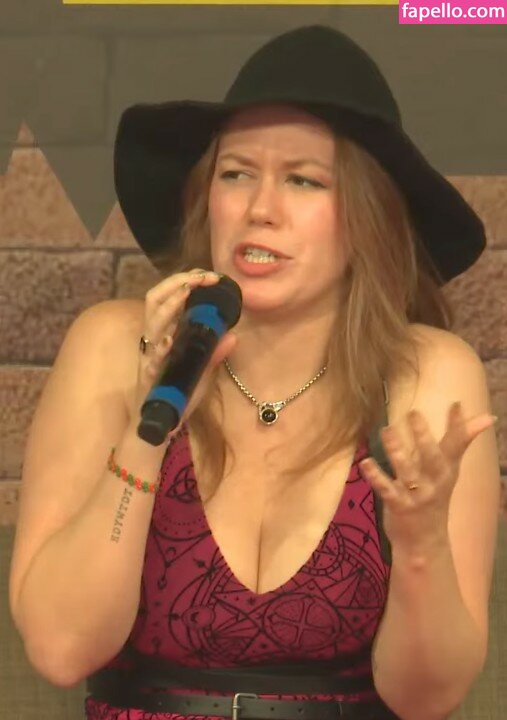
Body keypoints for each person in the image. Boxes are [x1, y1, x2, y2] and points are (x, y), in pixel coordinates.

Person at [9, 24, 500, 720]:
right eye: (235, 173)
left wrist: (421, 547)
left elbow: (427, 699)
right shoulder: (114, 344)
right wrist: (147, 434)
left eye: (303, 180)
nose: (259, 209)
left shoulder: (425, 373)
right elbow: (62, 650)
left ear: (366, 217)